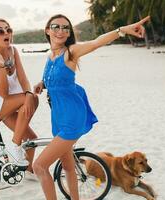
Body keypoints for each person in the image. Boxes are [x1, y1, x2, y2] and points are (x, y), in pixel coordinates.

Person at [32, 14, 150, 200]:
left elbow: (96, 43)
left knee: (38, 166)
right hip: (57, 118)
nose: (61, 31)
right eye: (56, 26)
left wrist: (121, 30)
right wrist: (42, 83)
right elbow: (55, 77)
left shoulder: (71, 51)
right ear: (47, 30)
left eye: (65, 28)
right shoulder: (50, 56)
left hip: (72, 118)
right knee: (68, 166)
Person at [0, 18, 38, 175]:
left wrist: (29, 93)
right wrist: (2, 65)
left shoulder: (13, 51)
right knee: (27, 98)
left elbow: (23, 79)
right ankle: (14, 145)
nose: (6, 33)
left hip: (11, 101)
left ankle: (29, 171)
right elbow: (2, 93)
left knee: (31, 139)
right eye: (1, 31)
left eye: (8, 30)